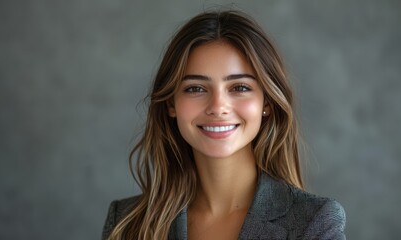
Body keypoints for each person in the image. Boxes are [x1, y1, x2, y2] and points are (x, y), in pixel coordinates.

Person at [102, 10, 346, 240]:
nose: (218, 106)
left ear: (267, 102)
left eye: (239, 88)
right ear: (171, 104)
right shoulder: (126, 222)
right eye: (195, 88)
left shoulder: (314, 222)